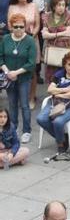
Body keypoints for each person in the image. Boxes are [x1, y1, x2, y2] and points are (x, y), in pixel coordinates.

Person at [0, 13, 38, 145]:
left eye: (21, 26)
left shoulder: (30, 40)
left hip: (24, 78)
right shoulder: (5, 39)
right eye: (15, 26)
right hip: (9, 77)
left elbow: (31, 62)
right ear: (11, 27)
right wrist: (7, 71)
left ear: (25, 26)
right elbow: (0, 57)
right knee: (12, 104)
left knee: (24, 105)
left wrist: (16, 72)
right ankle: (13, 128)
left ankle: (27, 131)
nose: (18, 29)